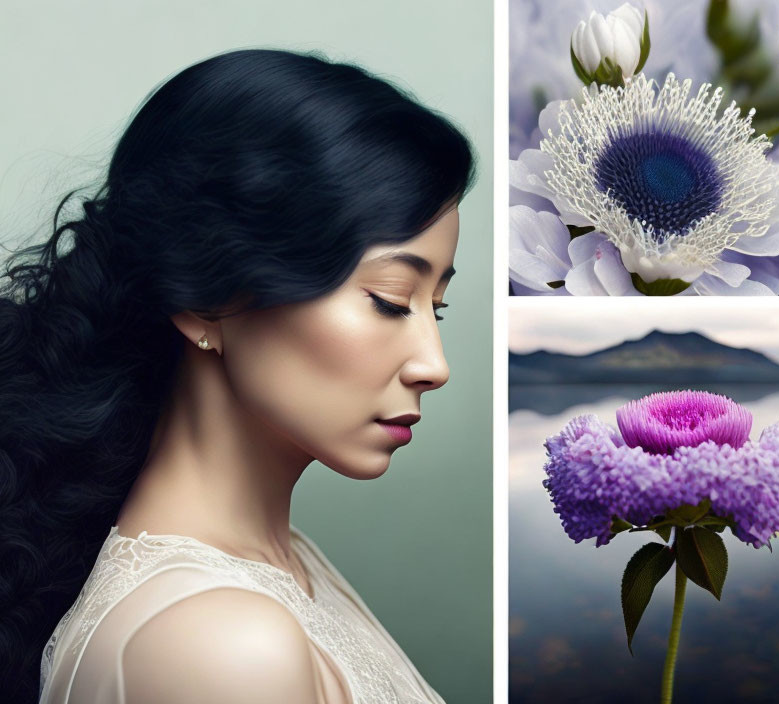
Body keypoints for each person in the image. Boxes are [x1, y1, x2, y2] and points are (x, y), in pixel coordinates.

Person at [0, 48, 475, 704]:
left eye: (437, 307)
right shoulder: (219, 644)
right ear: (207, 300)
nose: (434, 365)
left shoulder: (284, 567)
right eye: (391, 299)